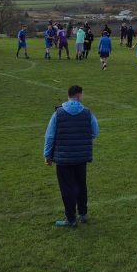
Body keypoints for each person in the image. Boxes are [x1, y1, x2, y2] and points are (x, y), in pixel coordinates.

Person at [44, 85, 100, 227]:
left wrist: (47, 155)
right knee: (81, 185)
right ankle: (83, 214)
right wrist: (83, 139)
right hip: (81, 157)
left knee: (67, 188)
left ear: (69, 95)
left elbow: (50, 136)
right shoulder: (87, 113)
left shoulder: (58, 113)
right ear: (79, 96)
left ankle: (71, 219)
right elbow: (95, 131)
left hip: (63, 159)